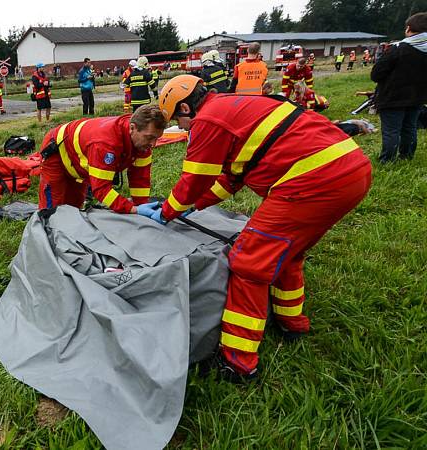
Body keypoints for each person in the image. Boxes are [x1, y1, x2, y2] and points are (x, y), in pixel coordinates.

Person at [140, 75, 372, 382]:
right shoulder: (235, 106)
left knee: (249, 263)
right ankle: (292, 324)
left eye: (177, 121)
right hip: (351, 170)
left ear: (185, 107)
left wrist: (168, 212)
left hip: (311, 182)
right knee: (289, 253)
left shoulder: (207, 121)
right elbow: (230, 178)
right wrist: (196, 206)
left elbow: (194, 180)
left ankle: (237, 362)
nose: (181, 129)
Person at [38, 104, 165, 213]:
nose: (153, 144)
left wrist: (142, 207)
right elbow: (101, 189)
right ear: (132, 128)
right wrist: (133, 209)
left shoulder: (142, 143)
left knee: (74, 206)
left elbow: (140, 181)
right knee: (52, 211)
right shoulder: (106, 144)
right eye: (149, 138)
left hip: (79, 159)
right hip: (56, 154)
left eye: (156, 138)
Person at [371, 12, 427, 163]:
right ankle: (406, 157)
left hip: (393, 97)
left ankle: (387, 160)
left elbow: (376, 74)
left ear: (409, 28)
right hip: (417, 97)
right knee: (410, 128)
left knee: (391, 130)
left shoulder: (398, 49)